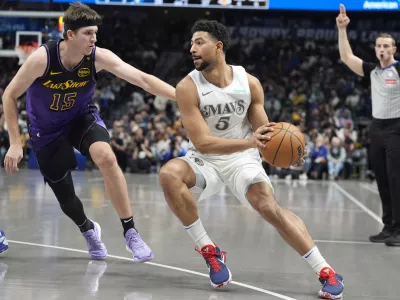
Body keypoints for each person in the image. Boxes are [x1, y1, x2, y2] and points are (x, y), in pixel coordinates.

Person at [159, 19, 344, 299]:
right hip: (204, 159)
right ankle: (210, 250)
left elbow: (266, 136)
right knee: (168, 174)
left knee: (269, 208)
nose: (192, 49)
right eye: (191, 43)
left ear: (218, 46)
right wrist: (250, 141)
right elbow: (202, 142)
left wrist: (288, 153)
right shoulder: (188, 87)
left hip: (241, 159)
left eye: (199, 43)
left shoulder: (249, 83)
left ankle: (325, 271)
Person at [2, 2, 175, 261]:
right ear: (70, 34)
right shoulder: (42, 59)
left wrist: (181, 97)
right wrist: (16, 142)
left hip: (80, 118)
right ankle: (88, 229)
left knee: (106, 156)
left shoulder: (97, 57)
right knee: (67, 199)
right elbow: (9, 95)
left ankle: (130, 233)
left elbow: (142, 79)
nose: (94, 38)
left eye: (95, 32)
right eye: (88, 33)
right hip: (46, 131)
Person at [337, 4, 400, 246]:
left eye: (387, 46)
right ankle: (388, 226)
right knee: (382, 179)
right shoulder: (372, 71)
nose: (382, 49)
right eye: (379, 46)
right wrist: (342, 29)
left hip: (396, 128)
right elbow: (346, 57)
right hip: (377, 128)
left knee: (396, 179)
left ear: (394, 49)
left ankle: (399, 229)